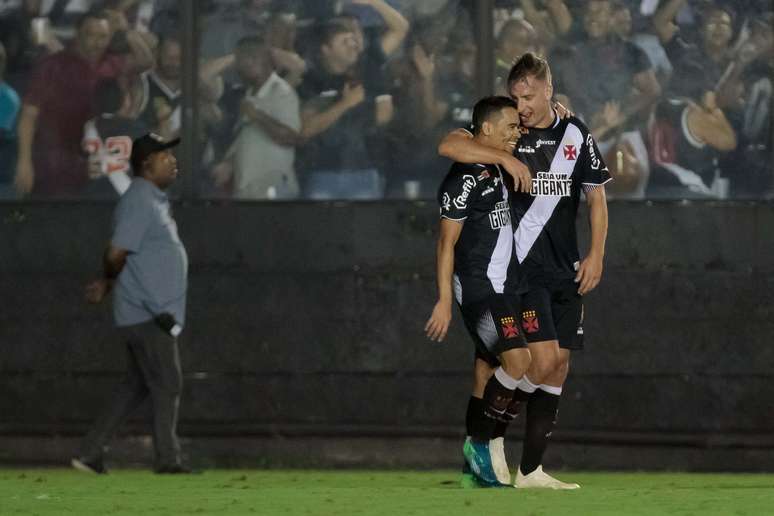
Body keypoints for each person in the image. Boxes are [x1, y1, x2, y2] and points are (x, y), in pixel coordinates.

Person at [438, 53, 611, 489]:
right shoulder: (503, 135)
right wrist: (509, 160)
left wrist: (597, 254)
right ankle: (484, 445)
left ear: (548, 91)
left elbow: (596, 198)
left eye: (529, 97)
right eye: (516, 98)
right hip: (515, 270)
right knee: (509, 361)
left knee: (555, 365)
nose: (523, 108)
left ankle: (529, 468)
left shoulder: (573, 133)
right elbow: (450, 145)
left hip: (564, 268)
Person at [426, 96, 532, 488]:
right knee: (520, 363)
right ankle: (481, 445)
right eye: (508, 127)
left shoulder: (495, 163)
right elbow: (444, 243)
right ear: (485, 129)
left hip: (502, 285)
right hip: (478, 287)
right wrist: (443, 301)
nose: (515, 135)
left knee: (485, 371)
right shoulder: (466, 175)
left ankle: (473, 468)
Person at [72, 133, 191, 475]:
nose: (172, 160)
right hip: (147, 311)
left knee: (136, 384)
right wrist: (108, 282)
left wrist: (108, 283)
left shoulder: (152, 199)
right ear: (145, 164)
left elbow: (124, 254)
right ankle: (169, 460)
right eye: (164, 155)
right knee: (168, 381)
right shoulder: (140, 199)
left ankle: (90, 453)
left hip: (147, 309)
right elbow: (116, 252)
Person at [13, 10, 152, 197]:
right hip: (57, 160)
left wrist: (126, 32)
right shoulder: (53, 65)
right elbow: (29, 114)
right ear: (78, 34)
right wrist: (24, 162)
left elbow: (146, 61)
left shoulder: (114, 64)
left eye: (103, 36)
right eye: (90, 35)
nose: (96, 42)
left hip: (96, 160)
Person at [210, 35, 302, 200]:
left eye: (249, 57)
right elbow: (248, 136)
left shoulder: (282, 92)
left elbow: (291, 138)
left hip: (274, 188)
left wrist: (257, 115)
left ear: (264, 59)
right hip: (247, 187)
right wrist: (229, 163)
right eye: (240, 60)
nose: (242, 65)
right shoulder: (248, 93)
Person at [82, 77, 149, 198]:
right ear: (125, 101)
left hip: (93, 197)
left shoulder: (88, 127)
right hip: (127, 199)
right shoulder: (137, 129)